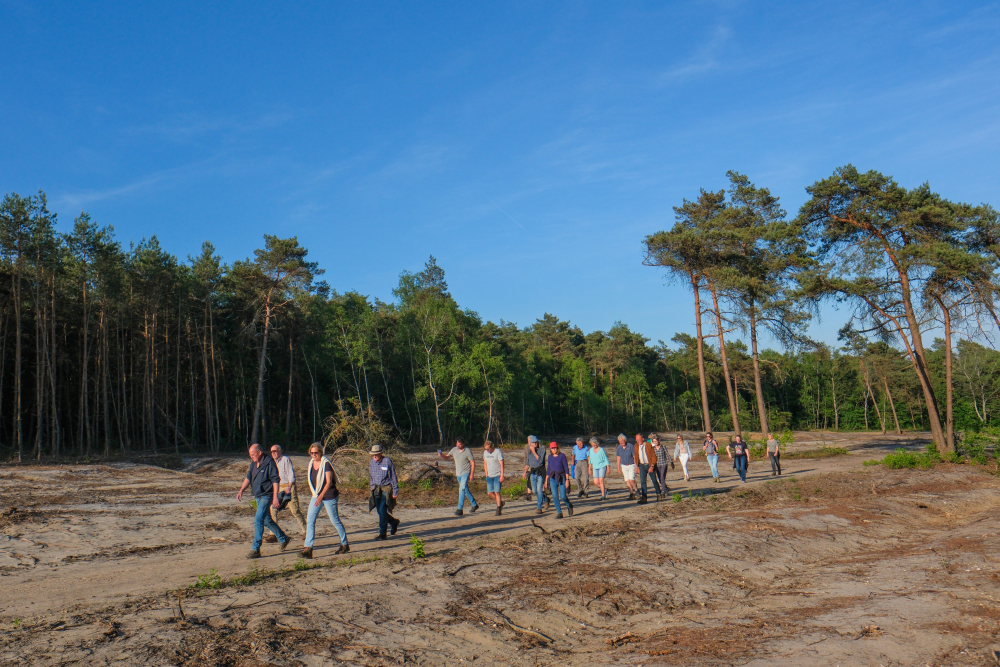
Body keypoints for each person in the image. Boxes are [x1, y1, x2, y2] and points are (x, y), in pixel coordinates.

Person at [236, 443, 290, 559]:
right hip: (258, 496)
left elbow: (275, 480)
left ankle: (256, 549)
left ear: (259, 452)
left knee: (258, 519)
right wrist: (241, 490)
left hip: (267, 495)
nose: (251, 456)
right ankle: (283, 538)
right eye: (250, 455)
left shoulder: (269, 463)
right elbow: (248, 478)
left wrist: (275, 497)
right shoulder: (253, 464)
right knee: (266, 520)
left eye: (253, 454)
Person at [301, 443, 349, 558]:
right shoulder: (311, 463)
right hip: (316, 494)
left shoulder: (326, 463)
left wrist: (321, 496)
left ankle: (345, 544)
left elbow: (328, 482)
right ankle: (308, 548)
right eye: (312, 453)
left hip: (329, 495)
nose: (314, 455)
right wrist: (317, 496)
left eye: (316, 453)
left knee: (335, 520)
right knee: (310, 520)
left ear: (320, 452)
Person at [266, 444, 307, 543]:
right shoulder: (271, 462)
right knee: (273, 510)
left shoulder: (285, 459)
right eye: (272, 451)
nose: (273, 453)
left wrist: (289, 486)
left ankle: (306, 531)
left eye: (275, 451)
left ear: (280, 451)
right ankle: (273, 534)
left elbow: (291, 474)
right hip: (277, 487)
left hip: (288, 486)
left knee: (294, 510)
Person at [438, 437, 479, 516]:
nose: (458, 445)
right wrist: (441, 455)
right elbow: (447, 457)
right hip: (458, 473)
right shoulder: (454, 450)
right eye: (457, 443)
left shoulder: (467, 451)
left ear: (463, 444)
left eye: (459, 444)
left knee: (461, 489)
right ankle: (474, 504)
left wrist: (472, 474)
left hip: (466, 473)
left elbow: (473, 462)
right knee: (465, 490)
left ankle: (459, 509)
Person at [368, 444, 400, 540]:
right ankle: (393, 522)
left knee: (382, 510)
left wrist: (395, 491)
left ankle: (383, 533)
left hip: (386, 489)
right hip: (376, 489)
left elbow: (393, 477)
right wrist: (371, 487)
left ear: (381, 453)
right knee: (379, 511)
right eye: (373, 454)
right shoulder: (371, 463)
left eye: (376, 454)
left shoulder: (387, 461)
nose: (375, 456)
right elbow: (371, 477)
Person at [545, 441, 573, 518]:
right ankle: (559, 512)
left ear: (557, 448)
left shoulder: (562, 456)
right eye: (552, 448)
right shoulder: (550, 457)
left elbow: (566, 468)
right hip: (552, 478)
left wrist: (567, 480)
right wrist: (546, 480)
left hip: (561, 477)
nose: (554, 449)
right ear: (550, 449)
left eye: (555, 448)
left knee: (563, 496)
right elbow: (548, 469)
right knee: (555, 496)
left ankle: (569, 505)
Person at [522, 435, 549, 514]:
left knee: (539, 490)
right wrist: (524, 472)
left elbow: (540, 461)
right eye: (532, 443)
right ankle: (546, 499)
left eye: (535, 442)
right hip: (532, 472)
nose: (534, 444)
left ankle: (539, 507)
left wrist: (534, 451)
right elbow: (528, 462)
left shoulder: (542, 449)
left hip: (540, 472)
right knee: (534, 491)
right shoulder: (528, 449)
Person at [634, 433, 661, 504]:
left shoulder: (648, 445)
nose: (638, 441)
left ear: (642, 439)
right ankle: (644, 497)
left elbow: (654, 456)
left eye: (639, 439)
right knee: (643, 481)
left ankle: (658, 494)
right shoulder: (636, 446)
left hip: (649, 464)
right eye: (636, 440)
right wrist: (636, 466)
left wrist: (652, 466)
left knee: (654, 480)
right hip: (642, 465)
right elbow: (636, 457)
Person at [482, 440, 505, 515]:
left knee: (497, 492)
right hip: (489, 475)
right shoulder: (485, 453)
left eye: (488, 449)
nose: (487, 450)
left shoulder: (498, 452)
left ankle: (498, 508)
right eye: (486, 449)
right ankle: (500, 502)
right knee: (489, 493)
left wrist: (502, 475)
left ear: (492, 447)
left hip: (497, 475)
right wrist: (486, 474)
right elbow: (485, 463)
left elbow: (502, 464)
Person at [615, 433, 638, 500]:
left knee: (631, 480)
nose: (621, 442)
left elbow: (634, 456)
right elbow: (618, 457)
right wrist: (618, 467)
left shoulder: (630, 446)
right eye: (620, 441)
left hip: (631, 465)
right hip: (624, 466)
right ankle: (631, 494)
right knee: (627, 481)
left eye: (622, 441)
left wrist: (636, 466)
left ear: (625, 440)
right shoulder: (619, 447)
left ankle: (636, 490)